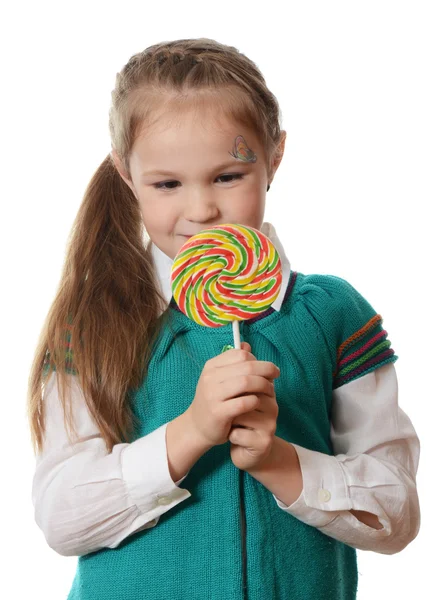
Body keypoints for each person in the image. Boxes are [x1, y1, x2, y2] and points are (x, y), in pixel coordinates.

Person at [28, 38, 420, 600]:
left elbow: (398, 515)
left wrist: (282, 461)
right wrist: (191, 432)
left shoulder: (332, 316)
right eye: (167, 184)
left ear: (274, 157)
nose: (201, 210)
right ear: (125, 173)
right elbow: (61, 518)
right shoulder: (94, 321)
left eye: (227, 176)